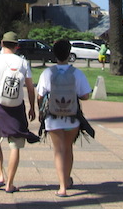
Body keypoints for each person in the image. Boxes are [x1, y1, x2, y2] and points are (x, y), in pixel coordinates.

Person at [0, 31, 38, 193]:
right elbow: (30, 88)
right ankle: (10, 183)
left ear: (2, 43)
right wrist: (32, 107)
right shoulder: (23, 63)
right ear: (16, 46)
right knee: (15, 145)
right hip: (17, 108)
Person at [36, 39, 93, 197]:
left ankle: (62, 187)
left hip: (53, 117)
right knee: (68, 149)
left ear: (54, 54)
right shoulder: (77, 73)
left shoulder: (48, 73)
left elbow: (40, 95)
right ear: (69, 54)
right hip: (72, 117)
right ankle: (67, 179)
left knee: (58, 150)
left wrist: (39, 110)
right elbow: (85, 95)